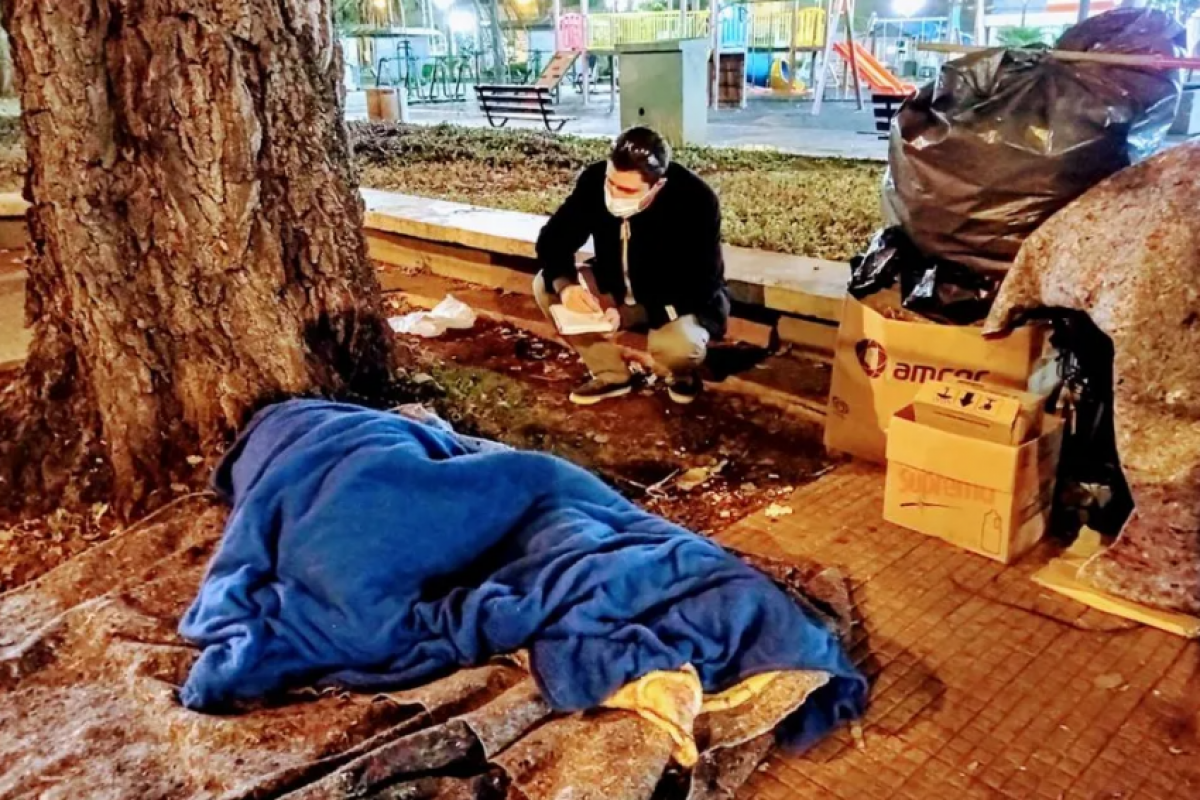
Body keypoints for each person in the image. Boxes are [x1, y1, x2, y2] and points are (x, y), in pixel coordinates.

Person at [534, 126, 730, 406]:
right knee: (545, 284)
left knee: (680, 347)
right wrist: (566, 287)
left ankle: (682, 375)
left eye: (626, 189)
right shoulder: (593, 180)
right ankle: (611, 375)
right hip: (614, 284)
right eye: (611, 182)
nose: (614, 194)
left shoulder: (695, 199)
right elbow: (553, 240)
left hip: (675, 300)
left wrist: (631, 315)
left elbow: (702, 282)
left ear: (657, 185)